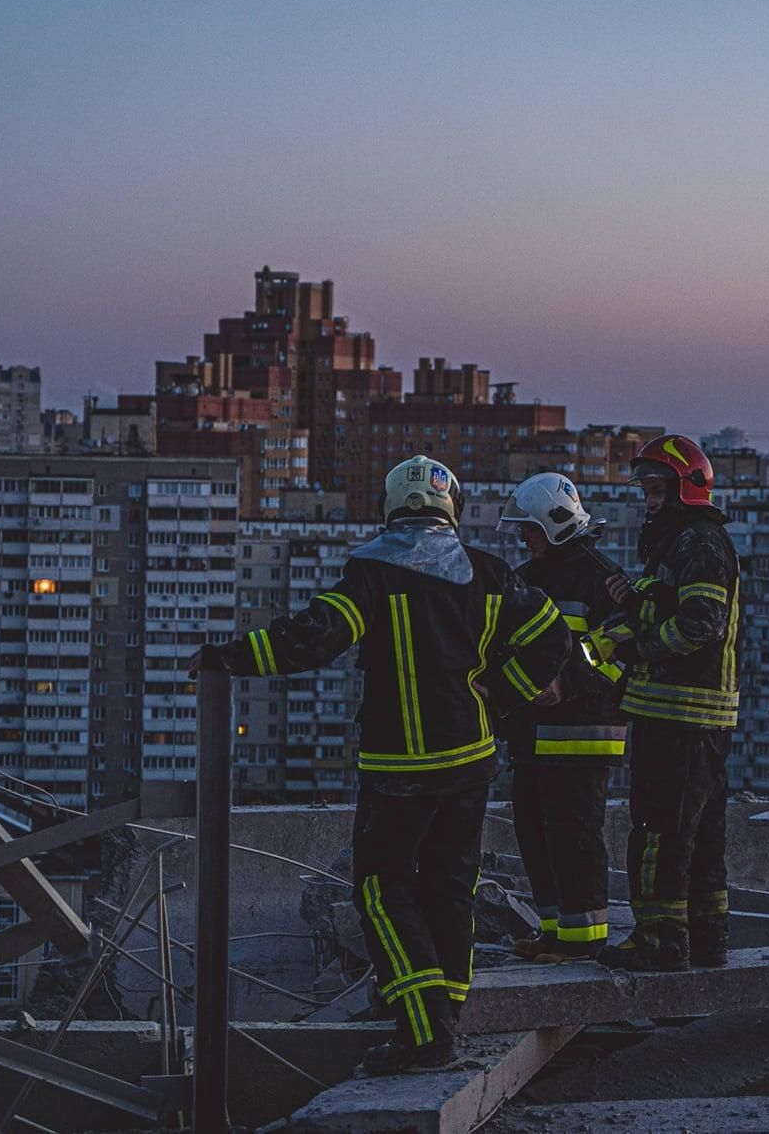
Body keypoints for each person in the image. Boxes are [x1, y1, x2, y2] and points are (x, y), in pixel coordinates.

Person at [192, 455, 571, 1073]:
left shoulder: (371, 571)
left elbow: (312, 638)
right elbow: (552, 635)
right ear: (452, 507)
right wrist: (498, 697)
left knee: (382, 888)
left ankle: (425, 1035)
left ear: (392, 506)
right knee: (450, 888)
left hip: (400, 766)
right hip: (472, 761)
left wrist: (226, 656)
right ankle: (445, 1013)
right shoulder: (490, 572)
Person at [588, 434, 741, 971]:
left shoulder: (698, 542)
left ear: (685, 489)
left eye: (657, 492)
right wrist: (633, 604)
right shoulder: (681, 543)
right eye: (647, 493)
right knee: (699, 838)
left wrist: (636, 649)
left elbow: (701, 623)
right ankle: (706, 939)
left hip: (681, 714)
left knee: (660, 832)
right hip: (688, 717)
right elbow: (672, 610)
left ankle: (661, 941)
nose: (650, 503)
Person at [496, 472, 627, 962]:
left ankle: (584, 941)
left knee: (574, 836)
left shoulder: (602, 577)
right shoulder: (528, 580)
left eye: (529, 531)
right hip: (531, 734)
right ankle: (555, 933)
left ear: (553, 526)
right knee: (535, 830)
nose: (523, 540)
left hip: (581, 734)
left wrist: (568, 682)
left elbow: (620, 651)